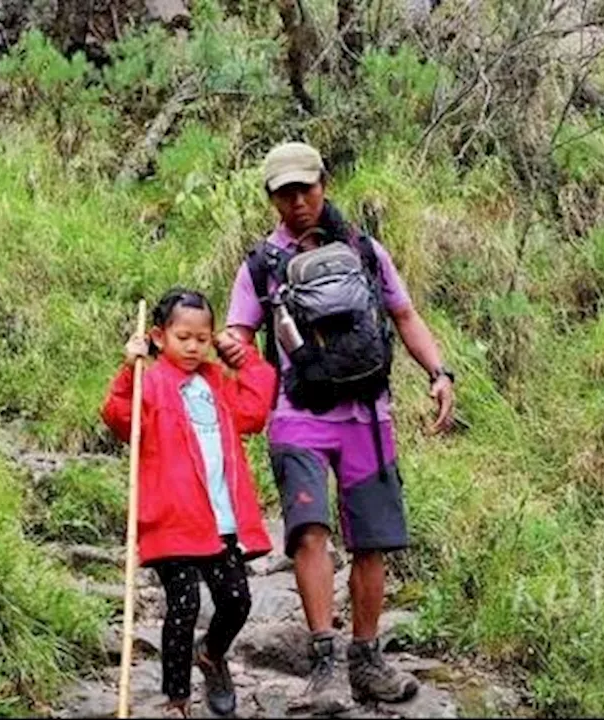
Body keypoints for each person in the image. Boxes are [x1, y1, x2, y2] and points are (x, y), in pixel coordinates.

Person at [217, 142, 457, 714]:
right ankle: (324, 663)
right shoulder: (260, 265)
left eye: (306, 188)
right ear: (270, 197)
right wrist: (231, 349)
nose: (298, 202)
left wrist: (439, 372)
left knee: (371, 542)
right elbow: (239, 334)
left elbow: (403, 314)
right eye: (284, 192)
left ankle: (367, 660)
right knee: (308, 532)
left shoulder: (367, 252)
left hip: (368, 417)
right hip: (296, 415)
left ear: (324, 183)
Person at [101, 289, 276, 718]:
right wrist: (129, 370)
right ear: (160, 336)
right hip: (172, 517)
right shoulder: (151, 378)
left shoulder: (216, 381)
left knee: (236, 599)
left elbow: (254, 412)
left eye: (203, 337)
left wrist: (245, 361)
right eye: (184, 337)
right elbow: (120, 419)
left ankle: (212, 654)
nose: (195, 346)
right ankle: (176, 700)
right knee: (184, 606)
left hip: (221, 519)